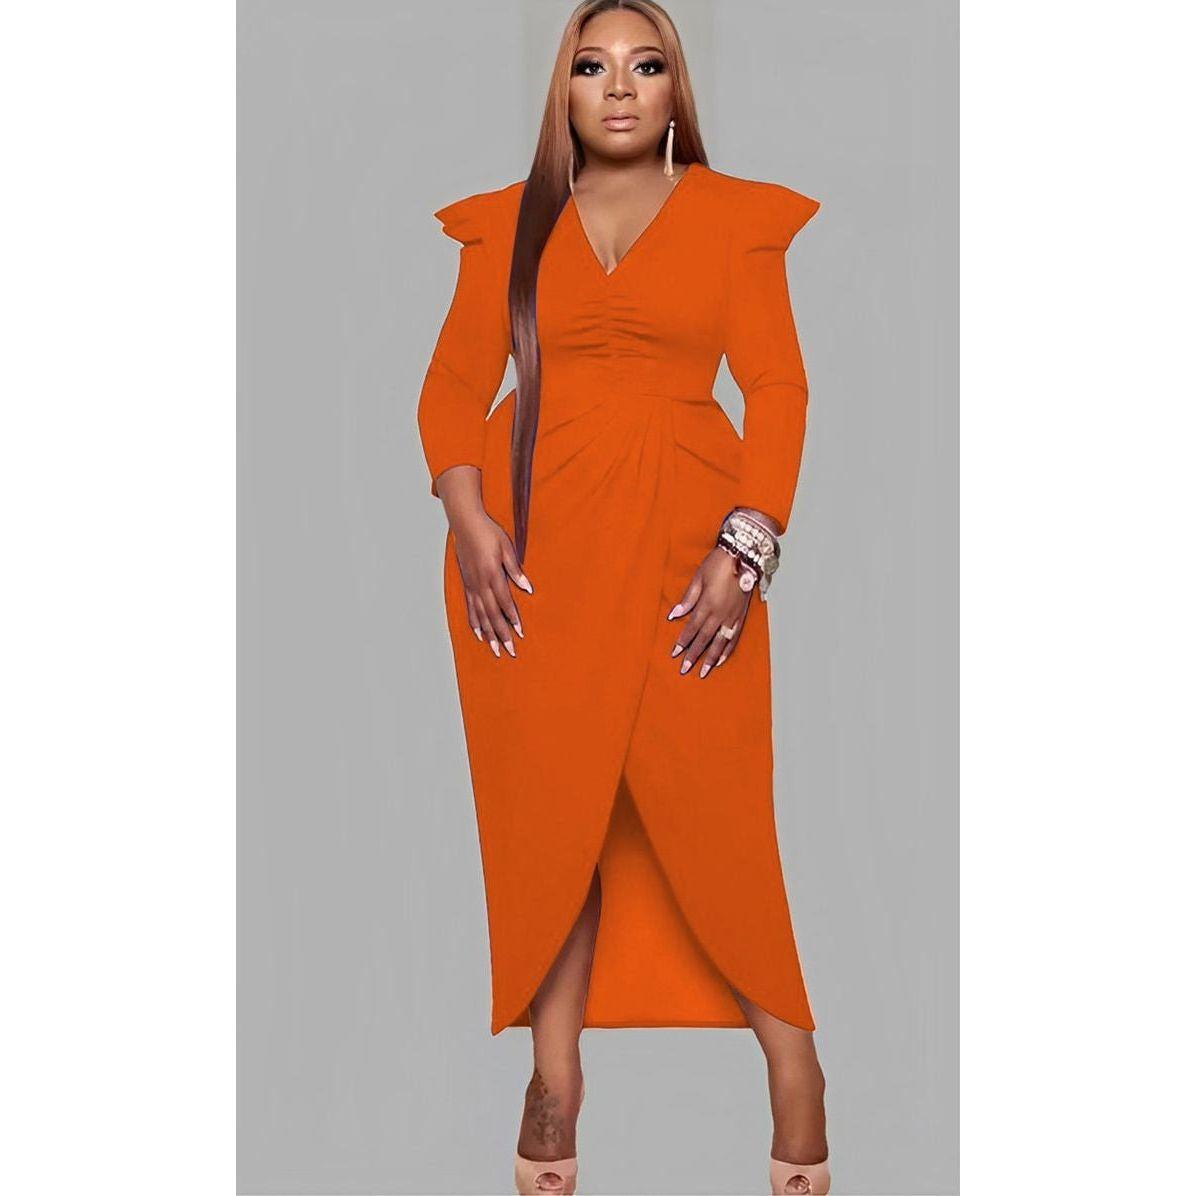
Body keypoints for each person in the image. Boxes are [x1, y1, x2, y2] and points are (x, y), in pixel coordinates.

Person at [417, 2, 831, 1192]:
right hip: (528, 564)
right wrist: (468, 519)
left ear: (673, 90)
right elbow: (449, 388)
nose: (616, 87)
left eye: (644, 65)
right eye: (590, 66)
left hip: (688, 558)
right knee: (554, 818)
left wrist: (744, 549)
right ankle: (553, 1079)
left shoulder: (734, 221)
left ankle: (793, 1064)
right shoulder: (505, 225)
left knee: (715, 809)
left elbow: (778, 387)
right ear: (562, 90)